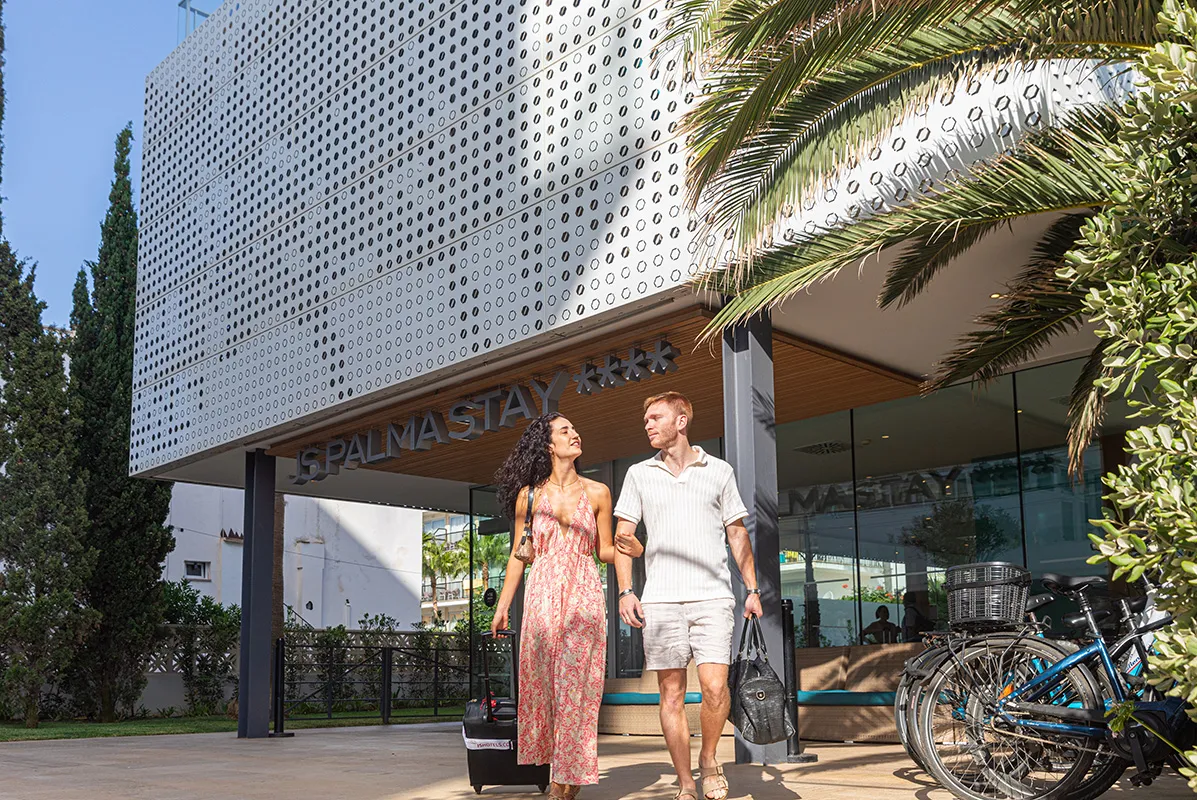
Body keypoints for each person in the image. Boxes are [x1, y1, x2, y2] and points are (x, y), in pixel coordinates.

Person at [613, 392, 761, 800]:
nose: (647, 424)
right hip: (660, 600)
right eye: (646, 418)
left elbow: (737, 534)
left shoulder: (719, 471)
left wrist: (752, 588)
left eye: (656, 417)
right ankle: (685, 782)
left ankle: (709, 759)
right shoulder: (639, 474)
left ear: (681, 421)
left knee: (715, 688)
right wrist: (626, 590)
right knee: (672, 694)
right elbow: (622, 537)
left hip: (713, 597)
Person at [490, 412, 643, 799]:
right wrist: (503, 606)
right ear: (548, 445)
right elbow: (517, 556)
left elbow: (605, 550)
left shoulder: (598, 493)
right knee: (544, 690)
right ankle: (562, 771)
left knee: (576, 689)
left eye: (575, 429)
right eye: (565, 430)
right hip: (541, 599)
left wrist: (636, 550)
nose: (575, 434)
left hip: (583, 598)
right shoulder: (529, 496)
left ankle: (564, 781)